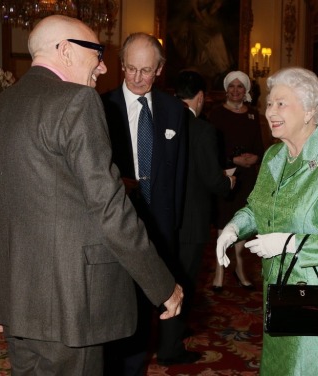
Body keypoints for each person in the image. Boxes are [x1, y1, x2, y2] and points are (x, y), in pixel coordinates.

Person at [0, 15, 184, 376]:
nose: (103, 66)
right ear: (65, 51)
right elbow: (109, 208)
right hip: (71, 303)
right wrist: (161, 285)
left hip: (15, 299)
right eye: (97, 53)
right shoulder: (78, 102)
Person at [216, 67, 318, 375]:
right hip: (279, 287)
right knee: (281, 366)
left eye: (280, 104)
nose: (270, 111)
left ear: (311, 108)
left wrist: (290, 243)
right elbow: (256, 206)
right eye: (269, 103)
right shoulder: (274, 156)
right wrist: (234, 228)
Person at [101, 33, 197, 373]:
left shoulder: (174, 111)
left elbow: (180, 177)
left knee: (146, 313)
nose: (138, 78)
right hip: (116, 225)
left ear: (159, 69)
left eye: (146, 70)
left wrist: (173, 231)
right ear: (121, 65)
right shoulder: (101, 107)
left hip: (160, 226)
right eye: (130, 69)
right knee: (116, 310)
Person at [174, 70, 236, 334]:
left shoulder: (160, 122)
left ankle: (166, 329)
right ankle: (174, 336)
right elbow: (212, 179)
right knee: (185, 277)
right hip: (192, 219)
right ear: (200, 97)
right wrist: (229, 183)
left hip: (164, 217)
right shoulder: (203, 130)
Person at [209, 70, 264, 292]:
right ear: (226, 89)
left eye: (240, 86)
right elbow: (211, 148)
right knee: (223, 221)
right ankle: (220, 269)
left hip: (247, 176)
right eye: (231, 86)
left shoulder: (253, 115)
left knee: (243, 220)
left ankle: (240, 267)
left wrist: (255, 157)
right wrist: (233, 159)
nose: (235, 90)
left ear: (246, 90)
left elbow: (259, 146)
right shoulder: (216, 114)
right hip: (225, 174)